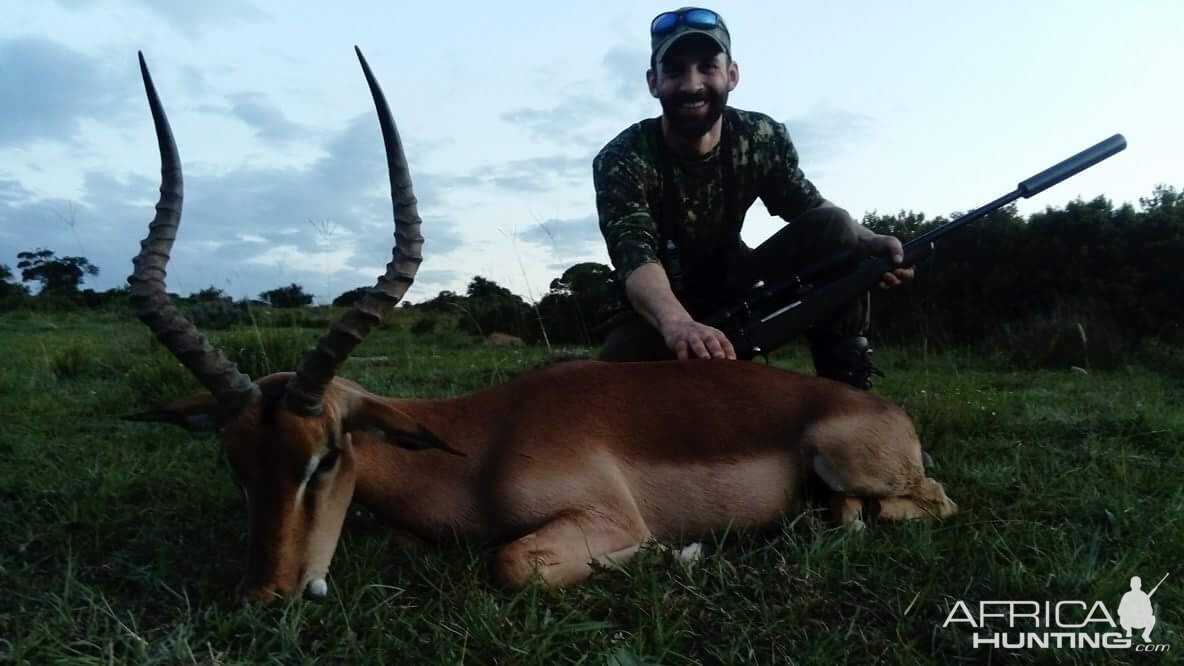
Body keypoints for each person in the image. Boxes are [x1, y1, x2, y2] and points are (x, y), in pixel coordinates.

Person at [593, 7, 913, 389]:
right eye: (675, 70)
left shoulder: (762, 136)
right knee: (614, 393)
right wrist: (679, 325)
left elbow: (811, 209)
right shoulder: (622, 157)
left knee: (837, 227)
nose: (692, 85)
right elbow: (635, 257)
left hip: (736, 288)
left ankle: (850, 392)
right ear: (653, 82)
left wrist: (868, 241)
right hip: (652, 315)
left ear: (732, 75)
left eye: (707, 67)